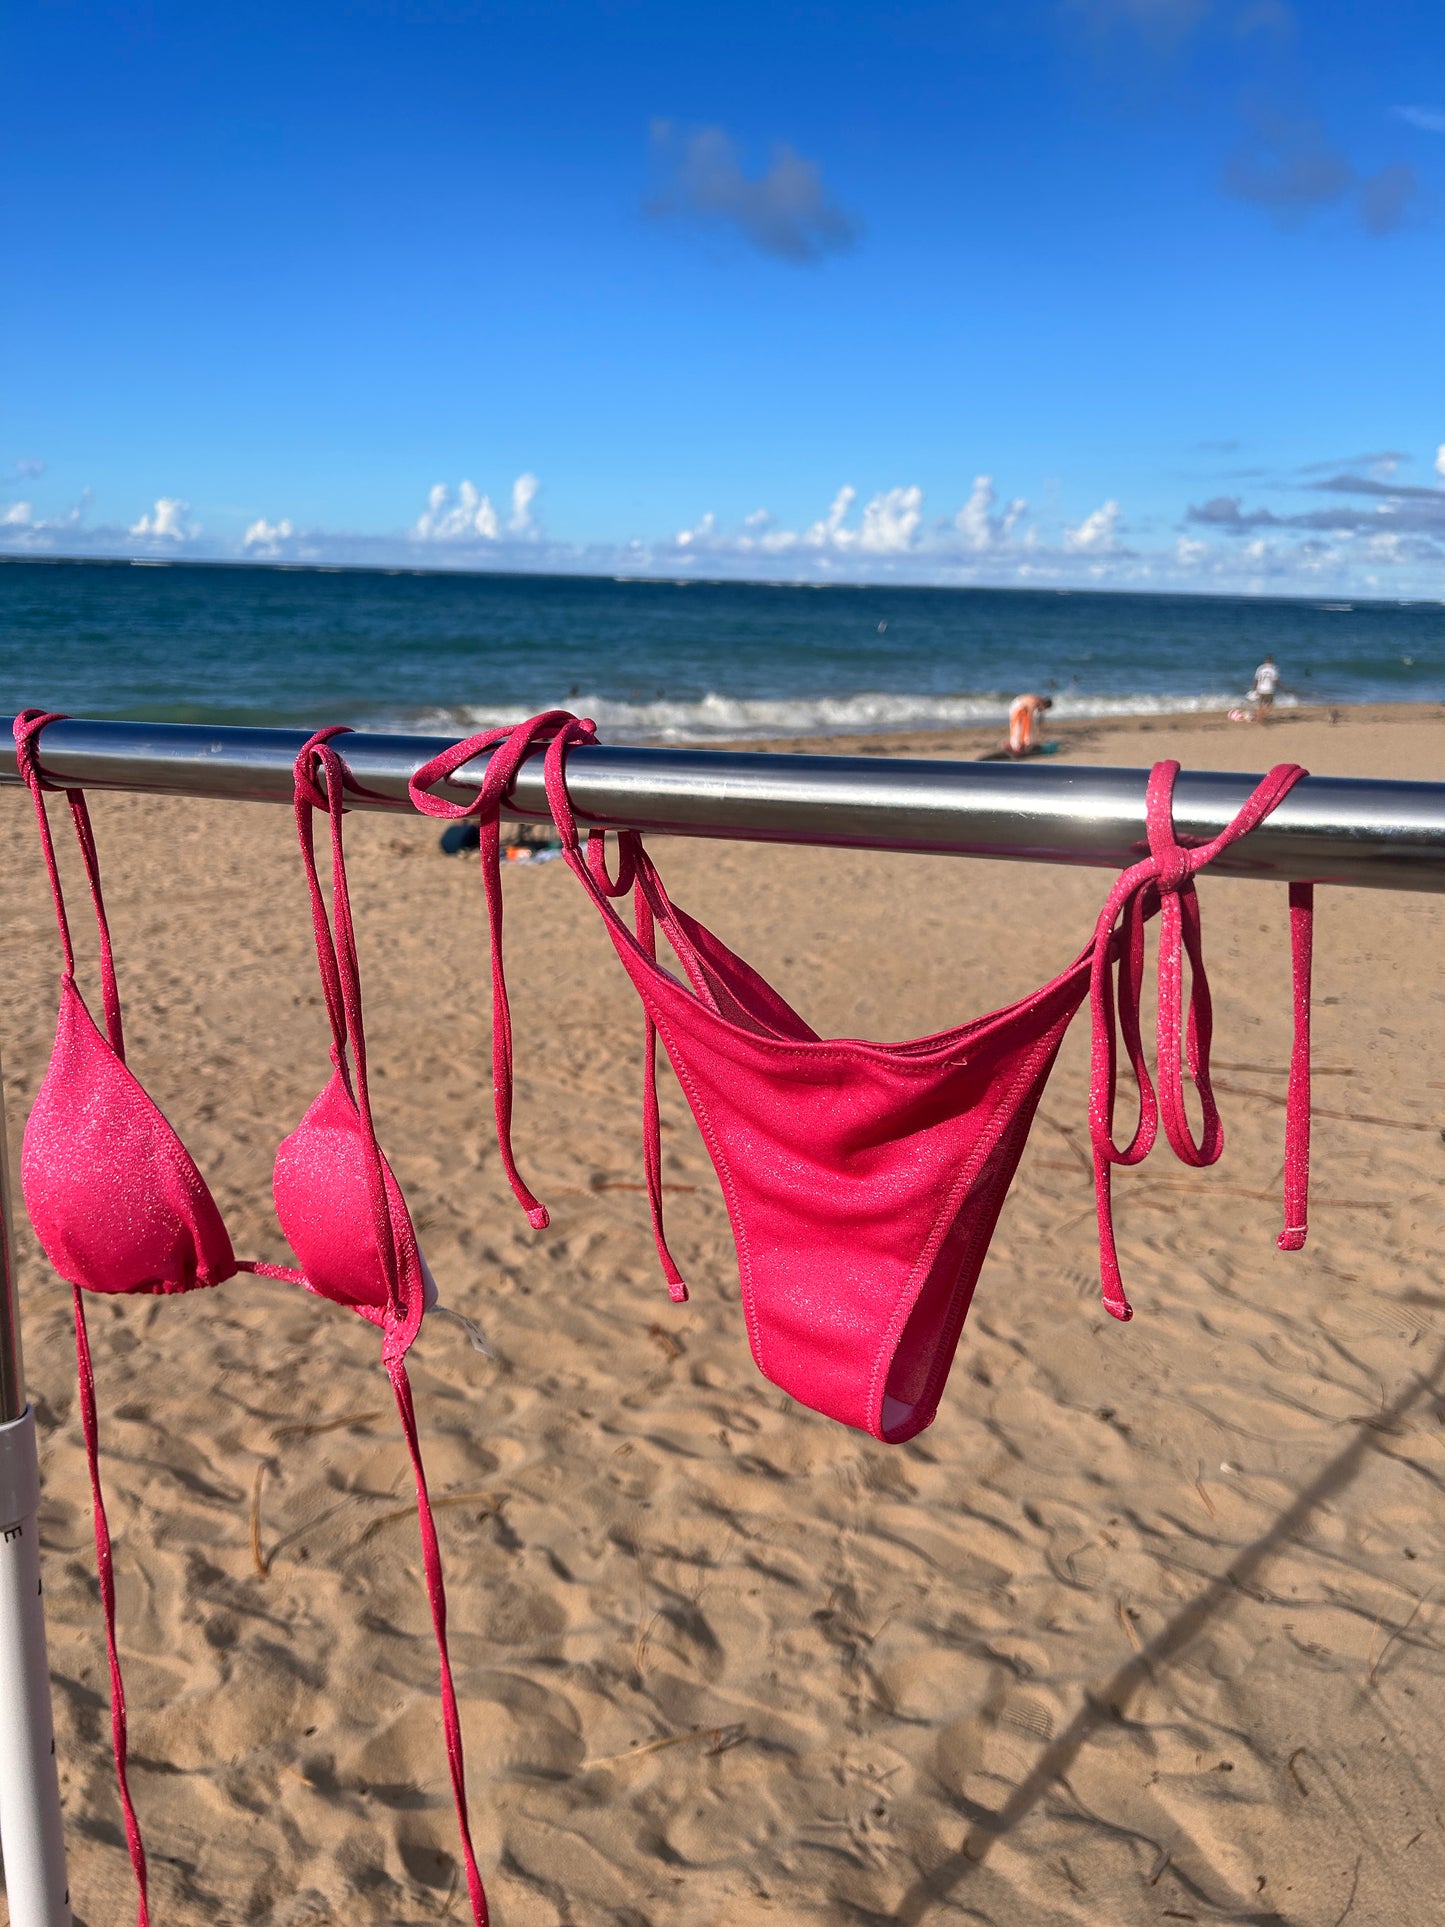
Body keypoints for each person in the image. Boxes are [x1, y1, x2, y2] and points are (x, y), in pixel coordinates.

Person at [1249, 655, 1280, 721]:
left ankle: (1258, 717)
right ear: (1271, 661)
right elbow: (1275, 680)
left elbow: (1256, 679)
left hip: (1260, 689)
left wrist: (1254, 689)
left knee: (1260, 705)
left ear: (1265, 661)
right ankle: (1259, 716)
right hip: (1269, 690)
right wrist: (1282, 687)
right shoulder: (1273, 668)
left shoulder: (1260, 668)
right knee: (1269, 706)